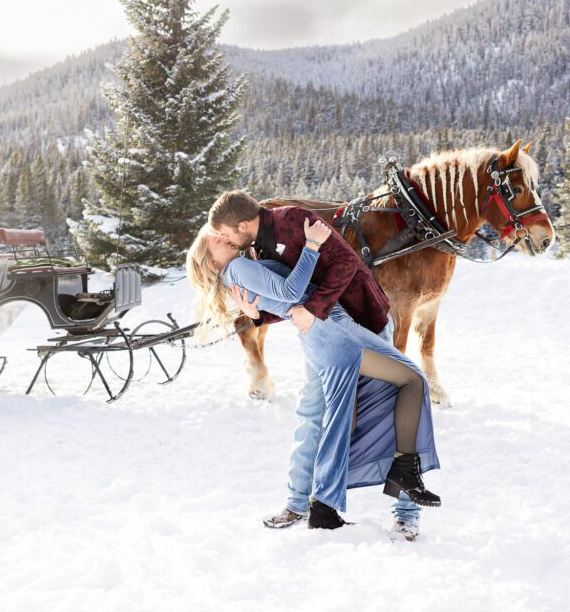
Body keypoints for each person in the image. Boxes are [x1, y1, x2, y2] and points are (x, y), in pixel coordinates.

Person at [186, 212, 441, 531]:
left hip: (343, 326)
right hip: (332, 330)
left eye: (221, 234)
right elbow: (293, 295)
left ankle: (329, 506)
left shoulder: (260, 250)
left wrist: (259, 314)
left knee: (343, 415)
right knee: (393, 390)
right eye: (216, 239)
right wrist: (310, 247)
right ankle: (342, 499)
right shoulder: (240, 265)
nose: (223, 239)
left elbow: (290, 297)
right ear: (209, 261)